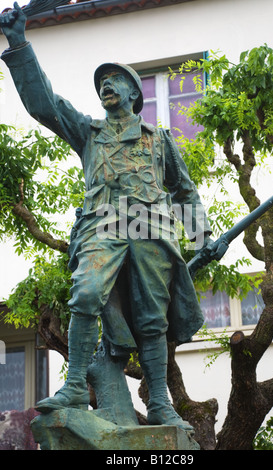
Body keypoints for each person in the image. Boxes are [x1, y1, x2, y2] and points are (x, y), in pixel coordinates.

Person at [1, 3, 213, 432]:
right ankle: (76, 383)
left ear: (135, 93)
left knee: (153, 319)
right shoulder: (89, 132)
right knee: (86, 291)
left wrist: (199, 236)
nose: (106, 86)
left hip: (151, 230)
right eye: (102, 82)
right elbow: (44, 104)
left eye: (114, 80)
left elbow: (184, 189)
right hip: (103, 224)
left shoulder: (159, 140)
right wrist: (19, 42)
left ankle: (160, 405)